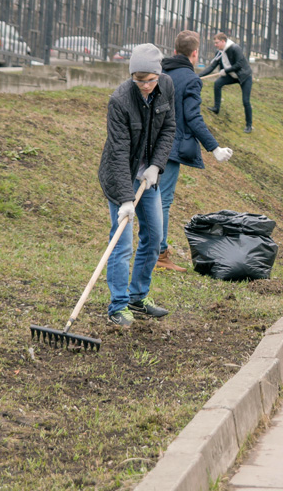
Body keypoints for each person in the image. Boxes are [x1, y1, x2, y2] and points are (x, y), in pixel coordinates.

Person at [98, 43, 176, 327]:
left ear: (158, 74)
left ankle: (137, 298)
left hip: (148, 175)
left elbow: (169, 128)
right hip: (120, 175)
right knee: (122, 241)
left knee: (154, 236)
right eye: (138, 80)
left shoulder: (166, 86)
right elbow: (118, 153)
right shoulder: (120, 100)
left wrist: (156, 165)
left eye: (149, 80)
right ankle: (118, 306)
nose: (144, 86)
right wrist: (126, 199)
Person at [157, 31, 234, 272]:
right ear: (194, 53)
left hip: (152, 144)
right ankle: (159, 254)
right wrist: (214, 148)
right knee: (163, 201)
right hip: (170, 148)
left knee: (153, 198)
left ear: (174, 50)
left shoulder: (161, 73)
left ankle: (154, 250)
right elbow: (193, 117)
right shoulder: (191, 79)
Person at [201, 32, 254, 133]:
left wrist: (226, 71)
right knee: (217, 84)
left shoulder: (235, 48)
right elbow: (212, 67)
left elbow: (239, 64)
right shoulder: (220, 52)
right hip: (232, 76)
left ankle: (249, 125)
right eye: (215, 43)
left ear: (223, 41)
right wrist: (198, 76)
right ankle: (216, 108)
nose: (215, 45)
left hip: (244, 76)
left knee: (246, 101)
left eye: (217, 43)